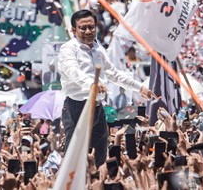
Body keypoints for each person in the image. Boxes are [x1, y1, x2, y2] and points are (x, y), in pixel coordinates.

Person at [58, 9, 158, 166]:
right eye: (82, 28)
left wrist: (139, 87)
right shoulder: (68, 49)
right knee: (75, 158)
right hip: (77, 108)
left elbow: (114, 74)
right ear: (73, 30)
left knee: (100, 155)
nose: (88, 31)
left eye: (91, 27)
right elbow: (73, 72)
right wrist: (92, 84)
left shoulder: (98, 49)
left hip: (98, 108)